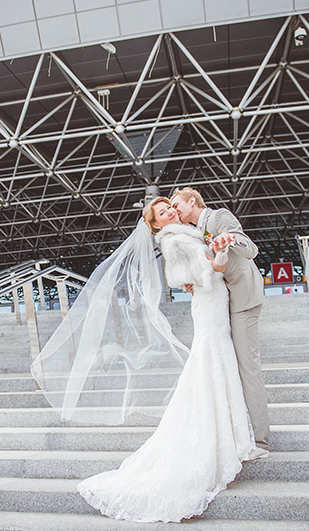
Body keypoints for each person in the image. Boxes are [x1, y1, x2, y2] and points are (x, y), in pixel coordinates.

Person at [32, 197, 255, 523]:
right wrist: (219, 252)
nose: (170, 212)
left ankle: (229, 429)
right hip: (210, 303)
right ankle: (225, 433)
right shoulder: (176, 239)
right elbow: (205, 273)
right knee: (211, 360)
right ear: (155, 225)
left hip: (212, 303)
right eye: (163, 212)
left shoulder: (183, 234)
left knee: (211, 363)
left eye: (170, 208)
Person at [170, 187, 269, 459]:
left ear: (193, 201)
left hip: (243, 299)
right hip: (221, 303)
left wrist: (228, 240)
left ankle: (261, 442)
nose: (175, 210)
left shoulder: (219, 217)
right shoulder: (192, 232)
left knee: (247, 367)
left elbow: (250, 249)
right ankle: (239, 432)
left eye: (177, 204)